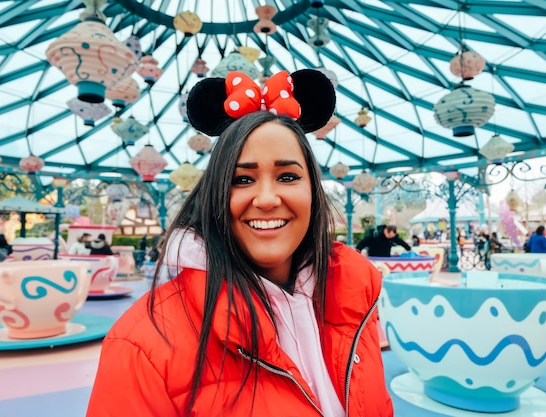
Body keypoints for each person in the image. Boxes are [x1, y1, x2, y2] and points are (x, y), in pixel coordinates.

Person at [87, 69, 393, 416]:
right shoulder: (142, 343)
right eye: (242, 179)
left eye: (288, 176)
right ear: (215, 194)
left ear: (313, 190)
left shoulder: (357, 298)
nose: (265, 198)